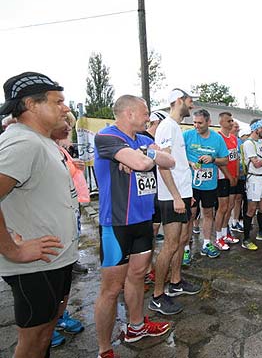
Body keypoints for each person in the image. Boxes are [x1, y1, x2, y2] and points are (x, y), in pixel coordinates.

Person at [0, 72, 76, 358]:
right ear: (31, 104)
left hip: (54, 261)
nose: (65, 108)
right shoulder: (23, 143)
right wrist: (12, 250)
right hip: (34, 267)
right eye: (58, 102)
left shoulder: (39, 140)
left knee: (45, 335)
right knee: (33, 343)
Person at [94, 95, 175, 358]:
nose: (149, 118)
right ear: (128, 113)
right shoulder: (107, 137)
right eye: (145, 113)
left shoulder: (141, 140)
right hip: (116, 224)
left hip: (142, 221)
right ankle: (104, 349)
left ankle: (136, 327)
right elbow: (145, 163)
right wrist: (147, 156)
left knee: (138, 276)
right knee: (111, 288)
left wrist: (143, 154)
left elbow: (170, 161)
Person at [150, 89, 202, 317]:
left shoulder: (175, 127)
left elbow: (174, 161)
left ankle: (176, 281)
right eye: (190, 101)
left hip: (182, 193)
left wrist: (188, 166)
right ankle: (157, 296)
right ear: (179, 101)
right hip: (172, 197)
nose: (192, 105)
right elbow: (162, 163)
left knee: (182, 240)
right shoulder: (166, 126)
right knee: (170, 244)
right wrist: (176, 197)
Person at [49, 112, 88, 347]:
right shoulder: (33, 148)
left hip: (69, 215)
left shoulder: (59, 150)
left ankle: (59, 316)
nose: (69, 131)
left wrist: (75, 165)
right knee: (52, 276)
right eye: (66, 126)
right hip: (50, 223)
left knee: (64, 276)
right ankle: (46, 323)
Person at [183, 109, 229, 258]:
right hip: (191, 184)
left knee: (208, 213)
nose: (196, 125)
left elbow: (225, 160)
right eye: (194, 122)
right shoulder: (187, 136)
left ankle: (207, 243)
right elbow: (177, 155)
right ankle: (185, 248)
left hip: (209, 185)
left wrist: (213, 159)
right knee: (191, 215)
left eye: (200, 123)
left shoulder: (217, 139)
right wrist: (190, 162)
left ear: (209, 122)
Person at [241, 119, 262, 250]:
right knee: (251, 208)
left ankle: (261, 232)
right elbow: (256, 163)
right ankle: (246, 239)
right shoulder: (248, 143)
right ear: (255, 129)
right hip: (253, 178)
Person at [139, 110, 169, 243]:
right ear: (157, 122)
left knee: (157, 220)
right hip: (143, 189)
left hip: (157, 186)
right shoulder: (141, 137)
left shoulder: (160, 140)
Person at [213, 112, 240, 249]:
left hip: (233, 177)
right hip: (222, 177)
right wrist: (229, 176)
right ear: (221, 122)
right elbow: (219, 161)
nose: (231, 123)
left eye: (232, 120)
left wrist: (236, 175)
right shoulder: (218, 137)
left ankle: (225, 233)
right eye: (229, 121)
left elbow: (235, 158)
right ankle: (218, 237)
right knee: (222, 208)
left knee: (230, 206)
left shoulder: (234, 138)